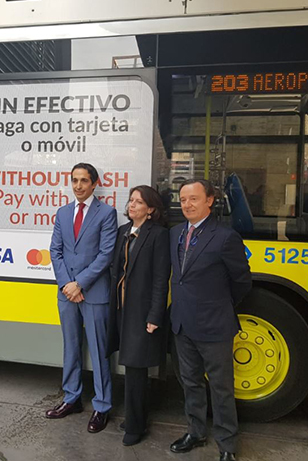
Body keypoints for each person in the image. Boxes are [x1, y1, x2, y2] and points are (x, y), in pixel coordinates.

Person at [169, 179, 252, 461]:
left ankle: (227, 444)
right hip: (182, 323)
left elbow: (241, 281)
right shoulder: (176, 233)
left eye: (193, 199)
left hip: (215, 325)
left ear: (209, 201)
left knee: (221, 388)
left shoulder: (225, 237)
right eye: (182, 200)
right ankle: (195, 431)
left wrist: (219, 307)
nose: (187, 205)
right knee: (190, 382)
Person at [47, 163, 117, 433]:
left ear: (94, 183)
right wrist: (67, 284)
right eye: (74, 180)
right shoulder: (63, 213)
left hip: (94, 292)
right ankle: (72, 397)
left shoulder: (107, 213)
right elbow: (55, 251)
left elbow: (105, 255)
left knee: (99, 352)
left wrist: (80, 284)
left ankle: (101, 406)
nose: (78, 186)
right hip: (67, 293)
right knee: (71, 347)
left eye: (84, 181)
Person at [107, 186, 170, 446]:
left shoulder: (158, 235)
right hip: (122, 309)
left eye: (139, 202)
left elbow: (160, 278)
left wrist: (155, 315)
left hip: (142, 312)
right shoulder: (124, 232)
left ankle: (135, 426)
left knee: (135, 367)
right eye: (131, 200)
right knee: (130, 364)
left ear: (151, 209)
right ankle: (136, 416)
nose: (132, 205)